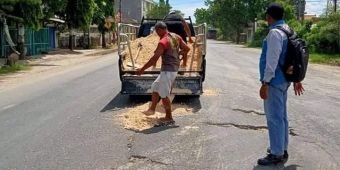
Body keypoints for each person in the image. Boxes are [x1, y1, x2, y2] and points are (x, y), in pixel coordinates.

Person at [258, 3, 305, 166]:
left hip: (274, 81)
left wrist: (265, 83)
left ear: (269, 17)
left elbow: (272, 61)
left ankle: (277, 153)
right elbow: (293, 57)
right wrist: (296, 79)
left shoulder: (275, 33)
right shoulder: (288, 30)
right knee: (282, 116)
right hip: (284, 80)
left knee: (274, 118)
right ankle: (281, 148)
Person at [136, 21, 190, 125]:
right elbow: (187, 49)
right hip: (172, 69)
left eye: (156, 31)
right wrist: (180, 54)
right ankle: (152, 109)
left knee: (164, 94)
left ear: (159, 29)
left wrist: (142, 69)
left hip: (168, 71)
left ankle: (169, 117)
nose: (156, 33)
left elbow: (154, 58)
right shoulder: (175, 36)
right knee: (155, 86)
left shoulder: (163, 41)